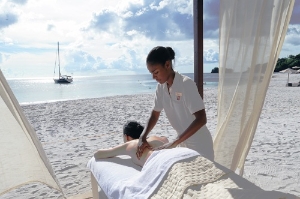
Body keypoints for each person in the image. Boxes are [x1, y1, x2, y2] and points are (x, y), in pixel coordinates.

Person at [136, 46, 214, 160]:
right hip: (182, 144)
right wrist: (142, 137)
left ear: (167, 65)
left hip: (200, 145)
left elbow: (202, 119)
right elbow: (154, 114)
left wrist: (174, 142)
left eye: (156, 72)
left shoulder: (186, 84)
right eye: (151, 73)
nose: (153, 77)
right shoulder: (161, 88)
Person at [94, 121, 168, 167]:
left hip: (160, 164)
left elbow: (98, 154)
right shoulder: (162, 138)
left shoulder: (130, 145)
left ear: (127, 137)